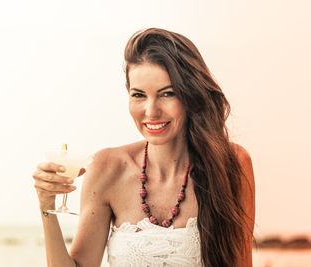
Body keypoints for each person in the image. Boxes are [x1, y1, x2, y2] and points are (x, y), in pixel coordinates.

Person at [32, 28, 255, 267]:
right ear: (128, 93)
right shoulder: (106, 168)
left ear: (191, 94)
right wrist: (46, 207)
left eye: (167, 94)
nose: (151, 111)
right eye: (139, 95)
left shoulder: (231, 163)